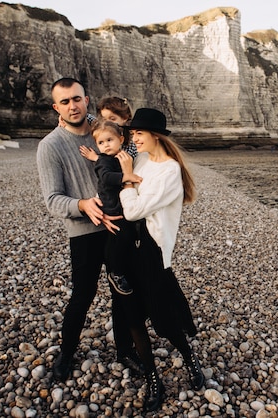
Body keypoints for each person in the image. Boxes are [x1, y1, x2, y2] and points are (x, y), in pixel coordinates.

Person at [36, 77, 143, 382]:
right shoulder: (50, 146)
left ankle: (126, 351)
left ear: (86, 100)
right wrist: (84, 206)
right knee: (82, 295)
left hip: (118, 225)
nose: (73, 106)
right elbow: (52, 200)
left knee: (123, 291)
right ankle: (67, 353)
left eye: (77, 99)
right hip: (84, 232)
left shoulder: (103, 128)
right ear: (56, 107)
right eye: (65, 101)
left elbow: (134, 141)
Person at [115, 108, 206, 412]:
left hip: (151, 252)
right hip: (128, 247)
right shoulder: (140, 159)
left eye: (139, 133)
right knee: (133, 318)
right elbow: (101, 127)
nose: (133, 138)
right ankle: (153, 377)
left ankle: (189, 357)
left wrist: (127, 181)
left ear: (156, 135)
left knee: (163, 320)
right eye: (132, 133)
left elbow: (133, 211)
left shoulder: (170, 172)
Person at [86, 119, 142, 295]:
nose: (106, 145)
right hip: (111, 206)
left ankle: (123, 262)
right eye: (100, 143)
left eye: (109, 140)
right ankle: (115, 272)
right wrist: (127, 177)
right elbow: (106, 177)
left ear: (121, 139)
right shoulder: (104, 161)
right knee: (122, 235)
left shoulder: (120, 156)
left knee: (125, 235)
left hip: (120, 203)